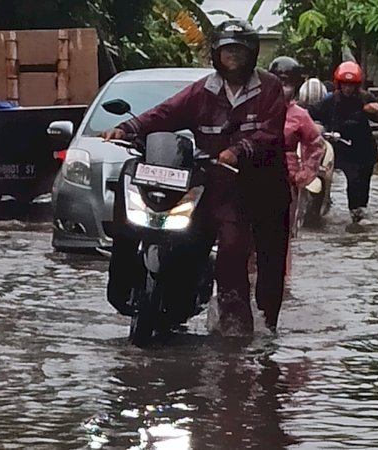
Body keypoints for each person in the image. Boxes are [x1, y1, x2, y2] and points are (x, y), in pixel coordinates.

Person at [103, 19, 290, 334]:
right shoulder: (202, 91)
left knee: (270, 264)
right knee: (225, 250)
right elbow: (165, 113)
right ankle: (206, 316)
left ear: (252, 54)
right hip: (221, 188)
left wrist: (237, 151)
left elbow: (269, 133)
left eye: (240, 51)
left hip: (266, 189)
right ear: (216, 53)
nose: (233, 57)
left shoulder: (269, 87)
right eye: (227, 50)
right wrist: (128, 129)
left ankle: (262, 328)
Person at [308, 61, 378, 224]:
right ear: (339, 84)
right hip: (341, 147)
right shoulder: (331, 101)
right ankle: (321, 209)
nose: (348, 89)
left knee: (363, 182)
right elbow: (311, 112)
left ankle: (359, 214)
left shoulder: (366, 98)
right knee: (351, 179)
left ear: (357, 85)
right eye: (345, 85)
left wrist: (376, 111)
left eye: (351, 85)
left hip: (364, 148)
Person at [268, 57, 325, 237]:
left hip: (287, 180)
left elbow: (316, 145)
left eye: (287, 83)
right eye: (279, 82)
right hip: (255, 176)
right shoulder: (257, 108)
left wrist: (303, 175)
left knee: (282, 233)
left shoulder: (300, 115)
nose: (282, 87)